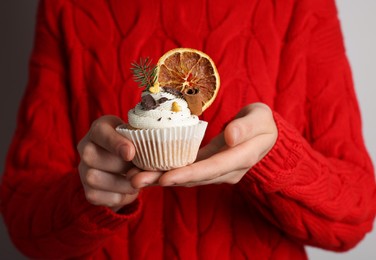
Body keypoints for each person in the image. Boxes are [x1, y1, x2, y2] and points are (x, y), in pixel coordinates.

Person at [1, 0, 375, 259]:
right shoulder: (68, 6)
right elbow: (24, 226)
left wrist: (274, 157)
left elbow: (357, 216)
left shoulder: (298, 5)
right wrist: (87, 195)